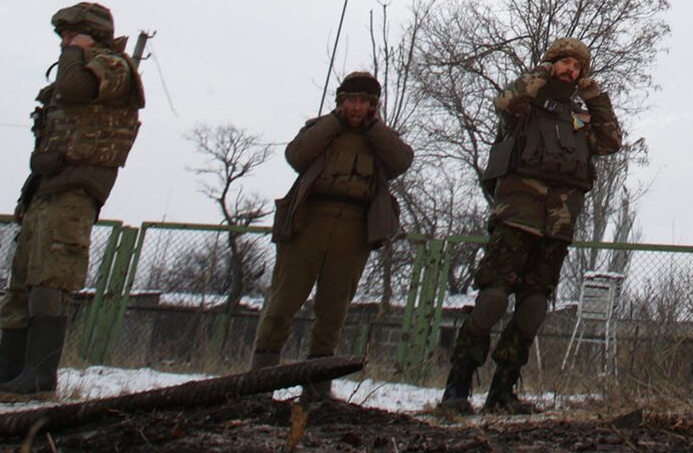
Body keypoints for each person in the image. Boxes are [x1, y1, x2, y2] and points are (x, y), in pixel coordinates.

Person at [0, 3, 144, 400]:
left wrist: (75, 51)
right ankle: (7, 371)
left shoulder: (113, 66)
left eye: (71, 33)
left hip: (75, 189)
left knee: (52, 279)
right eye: (62, 36)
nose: (63, 42)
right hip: (47, 186)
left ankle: (40, 378)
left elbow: (75, 89)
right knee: (23, 280)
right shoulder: (82, 63)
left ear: (92, 34)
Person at [441, 37, 623, 414]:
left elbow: (609, 141)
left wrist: (595, 96)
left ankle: (503, 389)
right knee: (492, 298)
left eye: (577, 66)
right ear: (551, 63)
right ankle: (457, 386)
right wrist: (540, 72)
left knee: (534, 304)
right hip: (516, 215)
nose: (570, 70)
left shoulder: (577, 115)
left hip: (557, 223)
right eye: (564, 63)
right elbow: (505, 101)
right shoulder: (526, 106)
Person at [251, 71, 413, 399]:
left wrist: (373, 128)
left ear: (373, 106)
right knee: (283, 301)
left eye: (364, 102)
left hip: (354, 228)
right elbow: (296, 156)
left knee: (333, 308)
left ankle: (317, 387)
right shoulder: (321, 129)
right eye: (351, 101)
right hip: (309, 222)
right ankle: (259, 383)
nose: (357, 107)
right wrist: (332, 123)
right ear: (340, 102)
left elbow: (401, 162)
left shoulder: (381, 138)